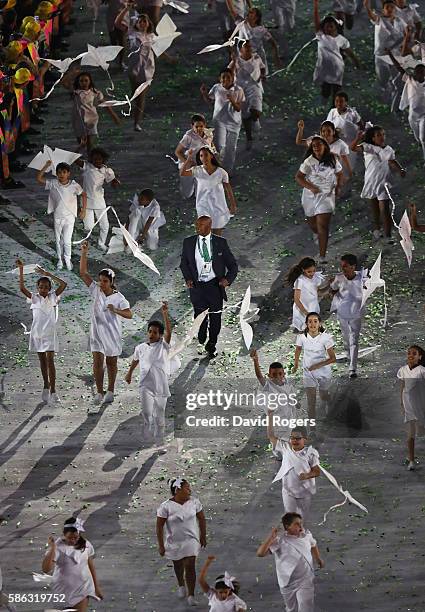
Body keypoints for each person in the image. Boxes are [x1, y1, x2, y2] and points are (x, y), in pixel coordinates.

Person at [79, 242, 132, 406]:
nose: (101, 283)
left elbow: (129, 314)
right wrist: (84, 252)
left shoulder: (119, 298)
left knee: (111, 363)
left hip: (112, 333)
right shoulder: (95, 289)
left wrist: (115, 310)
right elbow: (82, 272)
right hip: (96, 332)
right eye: (100, 280)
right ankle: (99, 393)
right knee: (97, 363)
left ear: (111, 282)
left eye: (105, 281)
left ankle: (110, 391)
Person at [179, 216, 238, 358]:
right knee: (200, 318)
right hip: (197, 287)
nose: (198, 228)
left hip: (214, 287)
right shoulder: (189, 242)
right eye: (197, 225)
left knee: (215, 318)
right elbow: (184, 263)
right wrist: (188, 279)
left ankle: (211, 344)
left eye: (202, 226)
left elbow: (233, 265)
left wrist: (227, 280)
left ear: (210, 226)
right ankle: (201, 340)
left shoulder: (220, 243)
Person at [16, 260, 67, 405]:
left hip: (50, 333)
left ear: (50, 288)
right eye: (41, 287)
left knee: (50, 361)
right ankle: (46, 385)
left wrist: (48, 274)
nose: (43, 289)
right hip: (37, 333)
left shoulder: (53, 297)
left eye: (46, 287)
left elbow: (63, 284)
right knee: (42, 361)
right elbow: (21, 287)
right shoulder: (34, 298)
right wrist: (21, 269)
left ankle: (53, 390)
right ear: (37, 288)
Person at [125, 302, 172, 442]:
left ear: (160, 335)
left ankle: (160, 440)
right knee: (146, 412)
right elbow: (135, 360)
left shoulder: (163, 346)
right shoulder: (140, 348)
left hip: (161, 386)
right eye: (150, 331)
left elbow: (169, 332)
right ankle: (148, 425)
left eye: (155, 332)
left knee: (160, 414)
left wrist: (165, 314)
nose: (151, 334)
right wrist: (129, 373)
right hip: (145, 385)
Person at [257, 513, 324, 612]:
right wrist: (270, 538)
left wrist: (318, 559)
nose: (300, 526)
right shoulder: (280, 541)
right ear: (287, 526)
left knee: (306, 607)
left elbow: (313, 545)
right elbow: (260, 554)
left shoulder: (306, 535)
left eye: (301, 523)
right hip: (287, 581)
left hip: (306, 579)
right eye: (296, 524)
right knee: (291, 608)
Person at [156, 478, 207, 607]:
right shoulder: (165, 507)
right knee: (178, 565)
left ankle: (191, 595)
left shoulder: (194, 502)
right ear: (177, 490)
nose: (190, 490)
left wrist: (203, 536)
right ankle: (181, 584)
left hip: (191, 540)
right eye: (187, 488)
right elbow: (159, 527)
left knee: (190, 565)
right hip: (174, 541)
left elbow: (201, 519)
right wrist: (161, 545)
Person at [351, 125, 406, 242]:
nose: (381, 137)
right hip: (371, 182)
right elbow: (353, 148)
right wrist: (358, 137)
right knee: (375, 208)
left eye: (383, 134)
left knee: (385, 209)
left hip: (383, 183)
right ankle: (377, 228)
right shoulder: (368, 147)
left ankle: (388, 235)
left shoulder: (388, 149)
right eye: (378, 135)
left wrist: (400, 169)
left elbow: (392, 161)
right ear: (372, 138)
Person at [295, 136, 344, 264]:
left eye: (319, 144)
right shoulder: (308, 162)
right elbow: (299, 177)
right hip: (310, 196)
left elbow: (339, 173)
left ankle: (322, 256)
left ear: (324, 146)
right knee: (312, 223)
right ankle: (317, 233)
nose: (316, 146)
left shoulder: (332, 158)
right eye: (314, 145)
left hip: (327, 195)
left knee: (323, 225)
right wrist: (312, 187)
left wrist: (338, 187)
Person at [267, 412, 320, 524]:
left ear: (305, 439)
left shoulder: (311, 453)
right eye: (292, 438)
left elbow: (317, 471)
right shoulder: (285, 447)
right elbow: (271, 436)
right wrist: (270, 416)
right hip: (288, 491)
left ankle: (301, 538)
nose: (294, 441)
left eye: (298, 438)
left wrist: (307, 475)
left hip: (305, 492)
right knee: (290, 519)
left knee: (302, 521)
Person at [42, 518, 103, 612]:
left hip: (82, 589)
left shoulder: (86, 545)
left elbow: (91, 566)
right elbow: (46, 569)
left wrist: (96, 587)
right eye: (70, 538)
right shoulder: (58, 547)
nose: (73, 540)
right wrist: (53, 547)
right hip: (62, 591)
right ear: (64, 534)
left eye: (76, 537)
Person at [37, 160, 87, 271]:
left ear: (68, 173)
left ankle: (67, 260)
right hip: (58, 217)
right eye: (59, 172)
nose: (61, 175)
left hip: (69, 217)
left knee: (67, 241)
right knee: (58, 240)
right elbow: (39, 179)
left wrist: (83, 210)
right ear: (56, 173)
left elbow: (83, 195)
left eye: (64, 172)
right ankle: (60, 260)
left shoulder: (74, 185)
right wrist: (46, 166)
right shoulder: (53, 183)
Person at [115, 6, 155, 131]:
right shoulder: (131, 33)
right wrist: (126, 9)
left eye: (145, 21)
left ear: (148, 24)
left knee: (141, 95)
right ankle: (136, 115)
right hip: (134, 67)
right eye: (140, 21)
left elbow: (160, 50)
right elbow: (117, 23)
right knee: (135, 94)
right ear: (136, 24)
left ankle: (137, 122)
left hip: (147, 68)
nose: (142, 23)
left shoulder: (152, 36)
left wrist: (170, 58)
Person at [313, 0, 360, 106]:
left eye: (331, 26)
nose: (329, 28)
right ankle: (324, 101)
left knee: (337, 91)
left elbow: (350, 53)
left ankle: (335, 109)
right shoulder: (321, 36)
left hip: (337, 71)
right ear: (323, 28)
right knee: (325, 89)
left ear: (336, 27)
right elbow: (316, 21)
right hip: (324, 70)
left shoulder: (341, 39)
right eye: (326, 26)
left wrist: (357, 62)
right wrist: (315, 5)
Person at [180, 148, 237, 235]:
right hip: (203, 206)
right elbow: (183, 173)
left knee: (217, 234)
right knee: (204, 232)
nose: (203, 158)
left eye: (206, 155)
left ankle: (216, 247)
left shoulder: (221, 172)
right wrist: (188, 159)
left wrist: (233, 205)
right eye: (201, 156)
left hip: (218, 207)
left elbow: (228, 190)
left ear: (211, 156)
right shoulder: (197, 170)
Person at [76, 147, 120, 253]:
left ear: (103, 159)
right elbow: (74, 159)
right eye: (95, 159)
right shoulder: (86, 166)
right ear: (91, 159)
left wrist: (116, 182)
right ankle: (81, 215)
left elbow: (113, 183)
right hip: (87, 202)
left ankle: (101, 243)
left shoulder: (106, 170)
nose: (97, 161)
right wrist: (80, 146)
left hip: (100, 201)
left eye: (99, 159)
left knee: (105, 225)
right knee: (88, 227)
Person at [293, 312, 336, 419]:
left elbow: (333, 358)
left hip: (323, 372)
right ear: (306, 324)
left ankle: (329, 403)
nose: (312, 324)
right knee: (311, 402)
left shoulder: (326, 338)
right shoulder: (301, 337)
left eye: (315, 321)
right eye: (310, 321)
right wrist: (296, 365)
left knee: (323, 395)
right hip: (308, 372)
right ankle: (312, 429)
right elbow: (298, 350)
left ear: (320, 324)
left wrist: (317, 366)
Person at [200, 69, 245, 173]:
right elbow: (210, 101)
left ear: (232, 78)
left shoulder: (238, 90)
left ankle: (228, 171)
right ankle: (217, 169)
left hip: (234, 123)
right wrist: (204, 93)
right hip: (219, 121)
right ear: (220, 78)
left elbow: (238, 108)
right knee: (219, 146)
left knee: (231, 148)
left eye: (228, 77)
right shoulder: (216, 88)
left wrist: (232, 100)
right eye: (223, 77)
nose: (225, 79)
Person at [364, 0, 405, 110]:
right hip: (381, 55)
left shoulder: (399, 21)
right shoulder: (379, 20)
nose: (390, 9)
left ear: (395, 9)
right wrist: (367, 7)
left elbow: (405, 35)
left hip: (395, 55)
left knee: (396, 80)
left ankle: (393, 103)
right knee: (383, 79)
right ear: (383, 9)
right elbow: (372, 16)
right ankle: (386, 95)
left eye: (392, 7)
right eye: (387, 7)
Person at [250, 349, 297, 443]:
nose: (278, 377)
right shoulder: (268, 385)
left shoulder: (286, 383)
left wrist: (296, 402)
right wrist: (256, 361)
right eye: (274, 374)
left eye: (280, 374)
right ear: (269, 376)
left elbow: (290, 395)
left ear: (284, 374)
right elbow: (259, 376)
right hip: (276, 417)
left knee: (289, 436)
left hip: (288, 415)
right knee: (278, 438)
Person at [330, 253, 365, 379]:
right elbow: (332, 289)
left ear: (353, 266)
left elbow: (370, 287)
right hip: (343, 314)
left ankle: (352, 368)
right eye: (342, 266)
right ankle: (350, 358)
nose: (343, 269)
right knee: (346, 340)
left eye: (345, 266)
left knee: (354, 340)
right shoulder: (339, 278)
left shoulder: (362, 278)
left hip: (356, 314)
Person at [387, 50, 425, 163]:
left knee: (423, 138)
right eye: (419, 72)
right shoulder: (410, 79)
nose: (421, 75)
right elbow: (398, 67)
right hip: (413, 115)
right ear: (415, 73)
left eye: (423, 72)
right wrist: (390, 54)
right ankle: (419, 142)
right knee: (417, 137)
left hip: (424, 115)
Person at [69, 71, 120, 152]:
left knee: (90, 145)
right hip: (78, 120)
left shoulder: (95, 92)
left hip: (91, 120)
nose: (84, 83)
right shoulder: (76, 92)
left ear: (90, 81)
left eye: (86, 80)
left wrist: (114, 116)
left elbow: (105, 104)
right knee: (82, 143)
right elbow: (63, 82)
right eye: (81, 81)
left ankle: (91, 160)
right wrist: (73, 73)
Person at [229, 40, 266, 149]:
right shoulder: (236, 60)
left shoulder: (256, 57)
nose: (250, 48)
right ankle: (249, 138)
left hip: (255, 87)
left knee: (255, 110)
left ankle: (255, 120)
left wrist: (263, 75)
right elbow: (229, 72)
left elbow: (262, 67)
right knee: (245, 116)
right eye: (246, 46)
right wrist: (233, 60)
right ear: (241, 49)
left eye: (250, 46)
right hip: (241, 90)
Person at [296, 120, 352, 185]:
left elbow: (345, 161)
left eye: (328, 131)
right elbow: (299, 142)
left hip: (331, 177)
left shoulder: (341, 145)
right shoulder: (315, 141)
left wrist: (350, 174)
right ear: (320, 132)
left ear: (333, 132)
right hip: (315, 176)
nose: (325, 133)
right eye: (323, 131)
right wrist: (300, 129)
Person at [397, 345, 425, 470]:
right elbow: (403, 387)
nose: (411, 355)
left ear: (420, 357)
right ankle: (411, 459)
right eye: (409, 353)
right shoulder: (403, 370)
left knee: (421, 431)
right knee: (410, 434)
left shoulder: (422, 371)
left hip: (420, 406)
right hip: (409, 407)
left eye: (414, 353)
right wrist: (401, 404)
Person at [175, 114, 216, 197]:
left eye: (201, 126)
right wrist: (188, 162)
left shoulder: (209, 134)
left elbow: (210, 145)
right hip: (188, 165)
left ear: (205, 125)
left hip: (201, 165)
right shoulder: (188, 136)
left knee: (201, 193)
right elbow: (177, 152)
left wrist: (214, 153)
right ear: (192, 126)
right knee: (187, 194)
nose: (199, 129)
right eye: (196, 127)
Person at [284, 257, 327, 332]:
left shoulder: (315, 278)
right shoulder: (300, 281)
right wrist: (305, 312)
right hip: (303, 308)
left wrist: (328, 289)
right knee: (304, 329)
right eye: (309, 271)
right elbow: (296, 299)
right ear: (303, 270)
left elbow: (317, 292)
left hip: (313, 306)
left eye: (314, 271)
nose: (312, 273)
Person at [234, 8, 281, 75]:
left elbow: (273, 43)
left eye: (251, 12)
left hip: (257, 59)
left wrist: (276, 58)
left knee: (260, 78)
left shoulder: (261, 30)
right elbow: (232, 11)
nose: (248, 13)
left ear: (256, 17)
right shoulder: (242, 24)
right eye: (249, 12)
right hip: (243, 57)